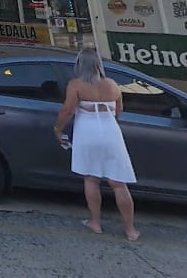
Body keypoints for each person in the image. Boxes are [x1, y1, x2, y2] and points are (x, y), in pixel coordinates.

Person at [53, 47, 140, 241]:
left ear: (79, 65)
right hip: (111, 133)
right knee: (118, 183)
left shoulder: (75, 85)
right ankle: (130, 230)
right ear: (99, 65)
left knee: (91, 179)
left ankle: (95, 222)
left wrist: (57, 129)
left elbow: (67, 111)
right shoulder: (112, 84)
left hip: (87, 132)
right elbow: (119, 111)